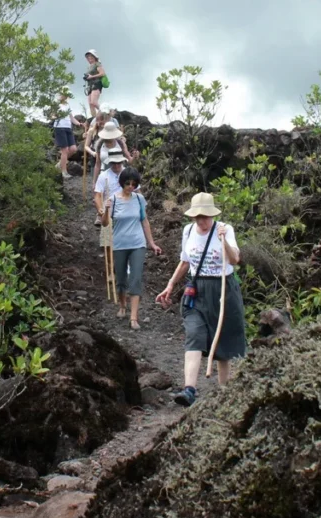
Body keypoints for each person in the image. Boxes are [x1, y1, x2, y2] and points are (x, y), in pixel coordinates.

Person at [155, 192, 247, 408]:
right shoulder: (188, 231)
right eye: (197, 217)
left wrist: (224, 241)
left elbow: (235, 259)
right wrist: (170, 285)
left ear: (212, 214)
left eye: (205, 216)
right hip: (197, 289)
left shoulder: (225, 229)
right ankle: (189, 390)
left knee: (224, 343)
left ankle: (225, 395)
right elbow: (185, 262)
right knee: (194, 333)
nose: (201, 221)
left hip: (223, 288)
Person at [101, 166, 162, 328]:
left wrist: (152, 243)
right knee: (121, 279)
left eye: (134, 184)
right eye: (128, 183)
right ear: (122, 183)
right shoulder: (113, 199)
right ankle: (122, 306)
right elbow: (105, 223)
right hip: (119, 244)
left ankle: (134, 317)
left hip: (137, 244)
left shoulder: (139, 199)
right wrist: (106, 210)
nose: (131, 186)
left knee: (136, 278)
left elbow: (144, 221)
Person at [94, 149, 127, 263]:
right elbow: (97, 195)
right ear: (110, 162)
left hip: (126, 210)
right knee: (108, 242)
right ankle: (110, 265)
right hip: (109, 210)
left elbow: (137, 192)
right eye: (114, 163)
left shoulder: (128, 173)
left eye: (119, 162)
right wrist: (101, 210)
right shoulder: (104, 176)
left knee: (125, 240)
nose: (117, 165)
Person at [48, 91, 84, 179]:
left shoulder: (67, 105)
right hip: (60, 127)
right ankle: (64, 172)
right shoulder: (56, 104)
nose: (65, 96)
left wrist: (79, 124)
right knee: (65, 150)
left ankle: (60, 164)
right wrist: (56, 116)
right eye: (64, 94)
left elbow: (71, 117)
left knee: (73, 149)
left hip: (68, 128)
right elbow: (52, 116)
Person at [91, 121, 134, 193]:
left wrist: (135, 157)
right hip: (104, 175)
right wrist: (94, 182)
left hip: (119, 174)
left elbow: (130, 161)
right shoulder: (100, 145)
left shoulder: (120, 143)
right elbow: (97, 164)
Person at [83, 48, 107, 117]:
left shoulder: (97, 64)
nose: (89, 58)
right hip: (90, 86)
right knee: (90, 104)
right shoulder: (89, 67)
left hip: (97, 84)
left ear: (94, 56)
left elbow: (102, 73)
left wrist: (91, 76)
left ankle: (106, 113)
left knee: (94, 102)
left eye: (91, 56)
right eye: (88, 57)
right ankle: (94, 119)